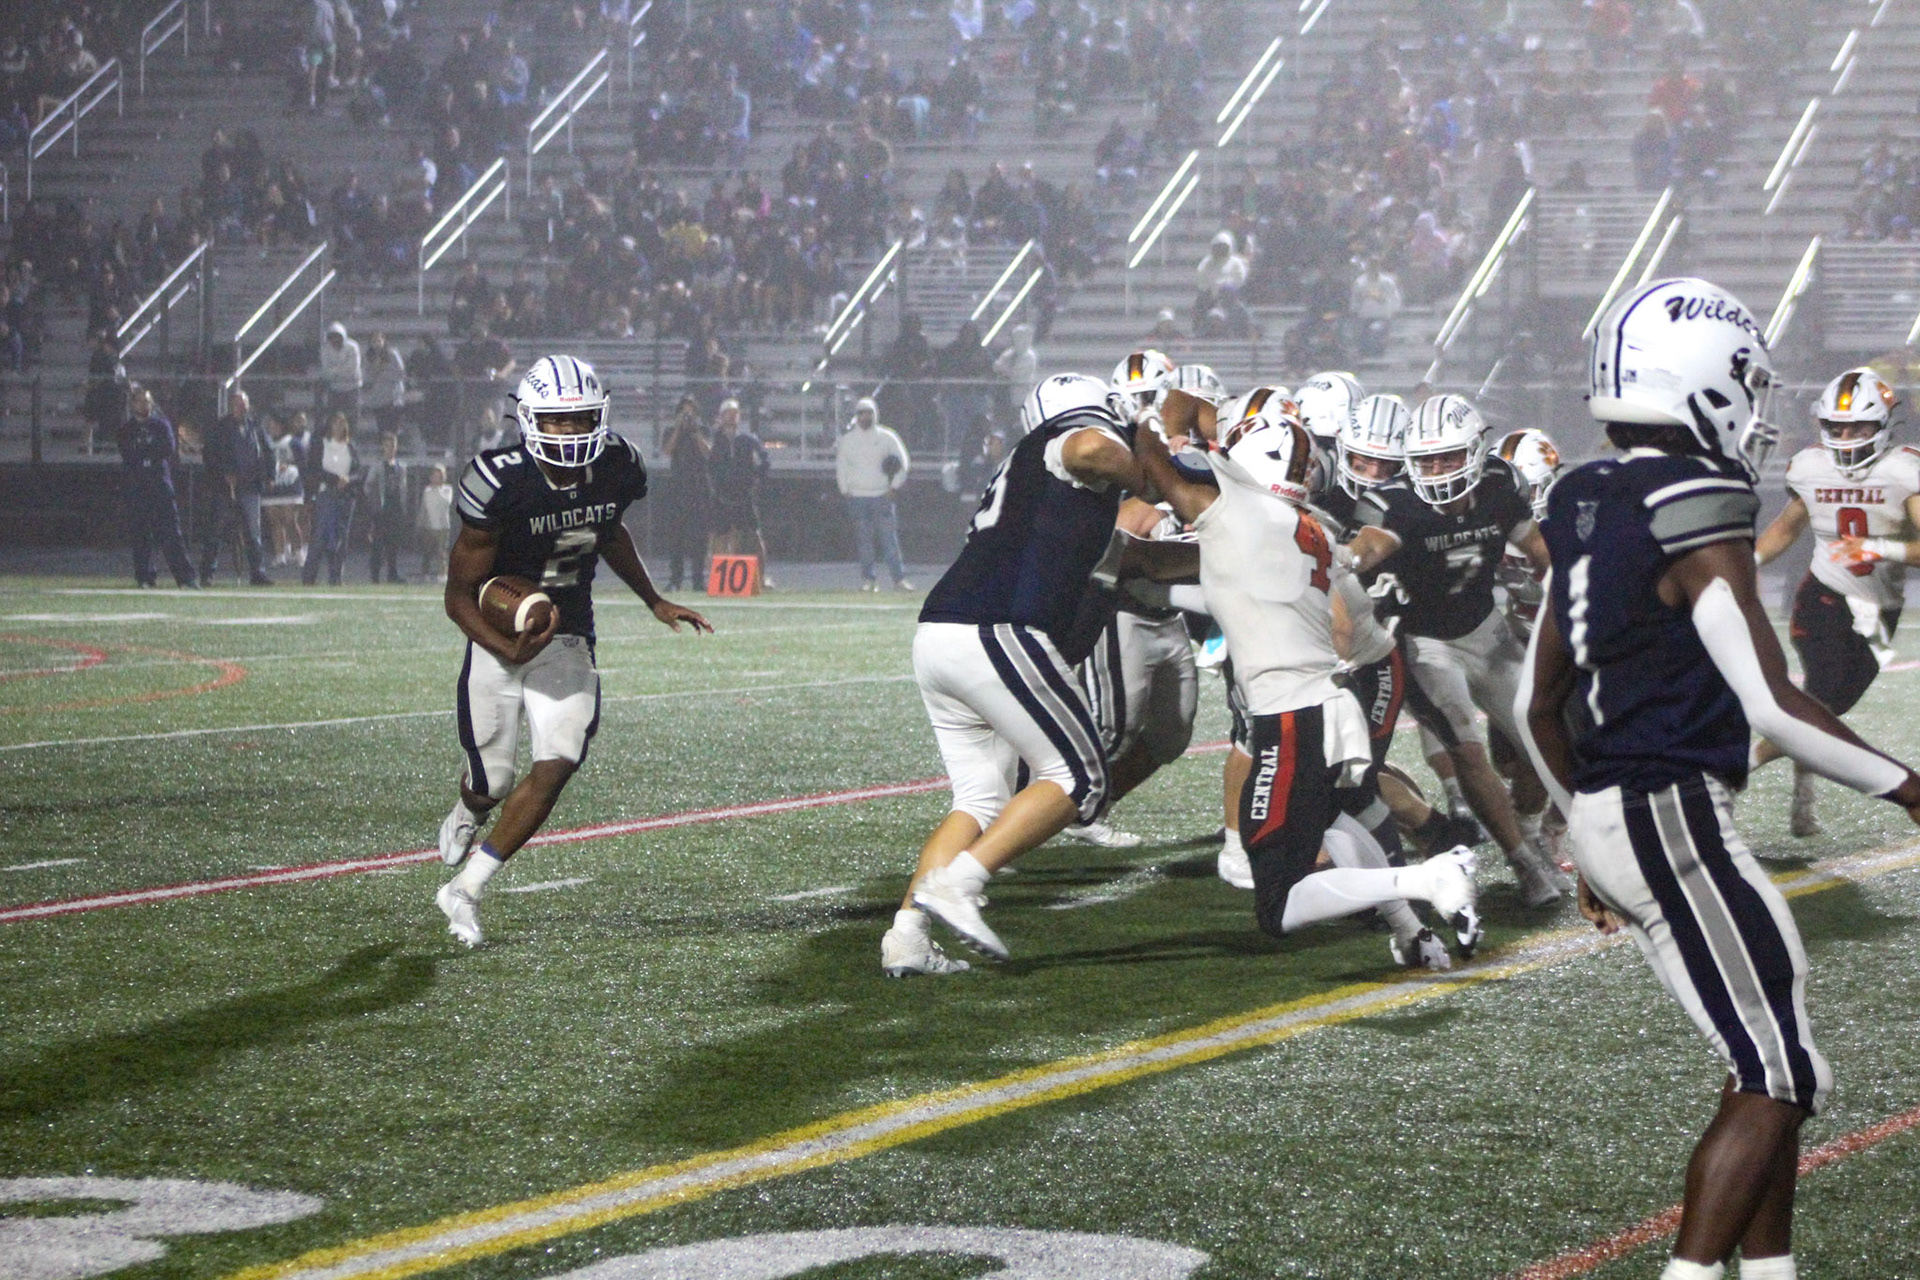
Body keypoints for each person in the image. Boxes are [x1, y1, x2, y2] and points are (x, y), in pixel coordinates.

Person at [1519, 276, 1920, 1280]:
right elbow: (1773, 705)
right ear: (1705, 381)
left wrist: (1582, 838)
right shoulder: (1697, 499)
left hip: (1615, 808)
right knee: (1784, 1072)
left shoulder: (1580, 495)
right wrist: (1912, 789)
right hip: (1669, 811)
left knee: (1769, 1051)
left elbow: (1536, 704)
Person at [1133, 387, 1475, 968]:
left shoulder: (1244, 512)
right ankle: (1411, 930)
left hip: (1292, 715)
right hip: (1324, 704)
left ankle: (1426, 878)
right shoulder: (1307, 526)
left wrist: (1147, 423)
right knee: (1335, 818)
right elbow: (1210, 581)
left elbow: (1154, 465)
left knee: (1279, 901)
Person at [435, 354, 712, 947]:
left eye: (580, 418)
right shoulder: (498, 480)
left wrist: (653, 599)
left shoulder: (617, 465)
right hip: (498, 637)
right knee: (491, 781)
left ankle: (466, 888)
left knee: (560, 757)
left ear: (600, 416)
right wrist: (506, 644)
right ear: (528, 420)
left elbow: (607, 530)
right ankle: (470, 810)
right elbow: (457, 597)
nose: (569, 431)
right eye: (556, 421)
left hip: (568, 633)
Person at [881, 373, 1146, 977]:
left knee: (980, 800)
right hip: (994, 629)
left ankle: (907, 935)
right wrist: (1147, 475)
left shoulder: (1034, 476)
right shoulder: (1068, 441)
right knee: (1080, 778)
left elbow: (1122, 556)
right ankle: (961, 883)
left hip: (943, 635)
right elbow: (1088, 446)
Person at [1348, 394, 1568, 908]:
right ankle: (1523, 861)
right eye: (1426, 461)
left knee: (1544, 739)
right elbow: (1368, 547)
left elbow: (1541, 551)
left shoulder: (1498, 487)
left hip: (1487, 630)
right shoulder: (1395, 503)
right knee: (1466, 748)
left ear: (1473, 451)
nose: (1437, 471)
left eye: (1447, 458)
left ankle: (1529, 831)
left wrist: (1566, 595)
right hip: (1424, 642)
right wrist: (1340, 560)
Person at [1754, 366, 1920, 835]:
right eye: (1837, 427)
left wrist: (1878, 548)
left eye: (1857, 427)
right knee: (1823, 698)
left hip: (1880, 608)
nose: (1845, 437)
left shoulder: (1903, 470)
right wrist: (1743, 565)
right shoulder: (1811, 467)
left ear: (1882, 424)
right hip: (1824, 595)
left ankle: (1802, 786)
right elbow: (1786, 528)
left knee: (1830, 705)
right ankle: (1734, 771)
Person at [116, 386, 199, 589]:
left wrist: (146, 456)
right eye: (139, 401)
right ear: (132, 404)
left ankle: (185, 578)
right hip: (138, 487)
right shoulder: (127, 430)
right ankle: (144, 577)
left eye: (147, 401)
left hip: (160, 486)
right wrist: (146, 457)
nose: (143, 405)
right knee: (141, 534)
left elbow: (166, 448)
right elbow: (128, 454)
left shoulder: (161, 425)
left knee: (171, 533)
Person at [198, 388, 276, 586]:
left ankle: (258, 573)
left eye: (244, 404)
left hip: (250, 487)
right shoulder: (220, 428)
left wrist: (270, 475)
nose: (241, 408)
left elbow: (269, 450)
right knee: (216, 530)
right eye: (237, 404)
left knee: (254, 533)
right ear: (230, 406)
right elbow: (210, 455)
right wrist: (224, 474)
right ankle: (207, 573)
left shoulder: (255, 427)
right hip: (225, 488)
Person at [835, 397, 913, 591]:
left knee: (889, 541)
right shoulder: (848, 440)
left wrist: (894, 486)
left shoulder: (887, 437)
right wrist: (844, 489)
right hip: (857, 498)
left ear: (875, 414)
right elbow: (842, 466)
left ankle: (899, 580)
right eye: (861, 413)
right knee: (864, 542)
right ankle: (869, 581)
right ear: (856, 416)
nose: (865, 417)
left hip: (882, 496)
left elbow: (903, 462)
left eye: (869, 413)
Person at [706, 399, 774, 587]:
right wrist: (715, 485)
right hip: (722, 496)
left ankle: (761, 577)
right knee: (720, 536)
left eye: (735, 413)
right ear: (721, 416)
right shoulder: (715, 440)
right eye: (728, 413)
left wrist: (756, 479)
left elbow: (765, 460)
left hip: (744, 496)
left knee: (754, 536)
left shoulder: (748, 439)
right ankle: (719, 579)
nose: (731, 417)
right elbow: (709, 465)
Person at [659, 396, 712, 591]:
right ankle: (676, 579)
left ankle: (698, 579)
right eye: (684, 412)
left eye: (691, 412)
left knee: (699, 537)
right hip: (678, 488)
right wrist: (678, 429)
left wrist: (695, 431)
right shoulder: (671, 431)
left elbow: (708, 452)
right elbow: (667, 451)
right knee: (676, 537)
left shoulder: (703, 430)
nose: (688, 416)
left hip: (698, 488)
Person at [303, 412, 360, 586]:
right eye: (336, 422)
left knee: (341, 539)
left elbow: (358, 471)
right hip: (326, 493)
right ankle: (309, 578)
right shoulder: (321, 444)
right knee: (320, 537)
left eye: (342, 423)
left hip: (346, 496)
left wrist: (348, 479)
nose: (339, 426)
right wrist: (335, 479)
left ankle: (336, 578)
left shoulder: (350, 447)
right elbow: (314, 469)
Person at [363, 431, 411, 583]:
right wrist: (374, 502)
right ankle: (375, 576)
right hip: (381, 510)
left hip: (395, 509)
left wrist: (403, 507)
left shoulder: (401, 467)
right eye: (387, 446)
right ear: (383, 447)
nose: (390, 449)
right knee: (378, 543)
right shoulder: (377, 466)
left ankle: (392, 574)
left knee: (393, 544)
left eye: (392, 446)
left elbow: (403, 489)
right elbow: (367, 486)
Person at [319, 322, 364, 432]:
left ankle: (352, 438)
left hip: (352, 387)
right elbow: (326, 370)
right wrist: (341, 369)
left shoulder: (352, 347)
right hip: (334, 389)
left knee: (352, 418)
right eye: (332, 337)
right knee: (333, 417)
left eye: (338, 337)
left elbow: (353, 367)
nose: (335, 340)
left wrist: (335, 370)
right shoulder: (325, 349)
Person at [365, 331, 407, 443]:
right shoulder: (369, 357)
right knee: (382, 430)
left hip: (393, 399)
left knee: (393, 430)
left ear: (384, 341)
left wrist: (384, 373)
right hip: (378, 400)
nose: (376, 344)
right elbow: (367, 376)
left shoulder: (392, 354)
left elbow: (401, 373)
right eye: (374, 341)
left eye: (379, 340)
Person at [415, 462, 453, 581]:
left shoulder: (447, 489)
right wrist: (420, 522)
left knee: (442, 552)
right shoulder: (427, 491)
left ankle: (442, 574)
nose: (437, 479)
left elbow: (446, 502)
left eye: (439, 476)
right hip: (429, 525)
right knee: (427, 551)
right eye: (435, 476)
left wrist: (437, 489)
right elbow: (424, 507)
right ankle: (425, 574)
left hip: (443, 526)